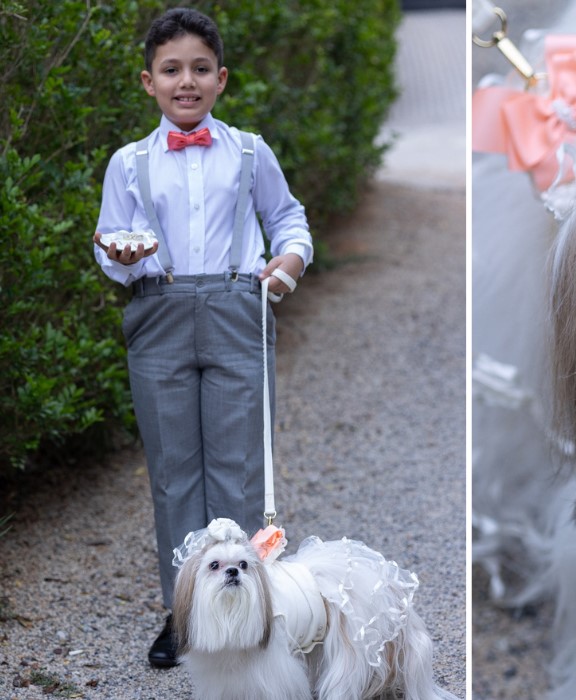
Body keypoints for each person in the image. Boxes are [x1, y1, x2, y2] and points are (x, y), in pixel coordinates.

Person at [93, 8, 312, 668]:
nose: (184, 81)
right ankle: (183, 613)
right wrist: (121, 258)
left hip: (235, 309)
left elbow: (287, 219)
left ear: (221, 78)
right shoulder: (129, 163)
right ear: (148, 82)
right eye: (170, 70)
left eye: (198, 69)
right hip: (157, 310)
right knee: (174, 473)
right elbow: (109, 241)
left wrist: (289, 262)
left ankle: (248, 617)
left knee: (239, 469)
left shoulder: (248, 150)